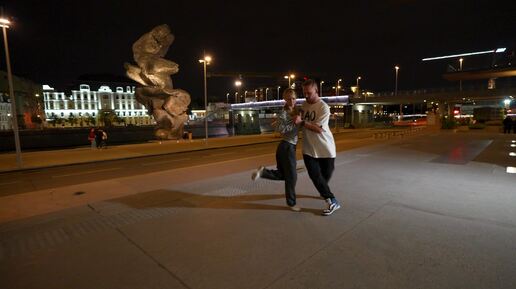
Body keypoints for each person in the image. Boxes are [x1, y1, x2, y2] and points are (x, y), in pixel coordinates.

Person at [294, 79, 340, 216]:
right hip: (309, 149)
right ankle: (332, 200)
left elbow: (318, 129)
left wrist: (301, 122)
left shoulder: (323, 107)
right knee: (315, 176)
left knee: (325, 176)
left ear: (316, 91)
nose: (306, 95)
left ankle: (324, 191)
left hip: (325, 148)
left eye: (309, 93)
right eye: (304, 93)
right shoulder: (303, 105)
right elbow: (297, 119)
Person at [252, 89, 301, 211]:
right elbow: (280, 130)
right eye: (289, 98)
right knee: (292, 177)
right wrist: (294, 123)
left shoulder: (298, 110)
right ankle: (291, 203)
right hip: (286, 147)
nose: (292, 101)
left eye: (294, 98)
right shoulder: (283, 113)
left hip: (289, 147)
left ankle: (263, 172)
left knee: (283, 175)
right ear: (285, 99)